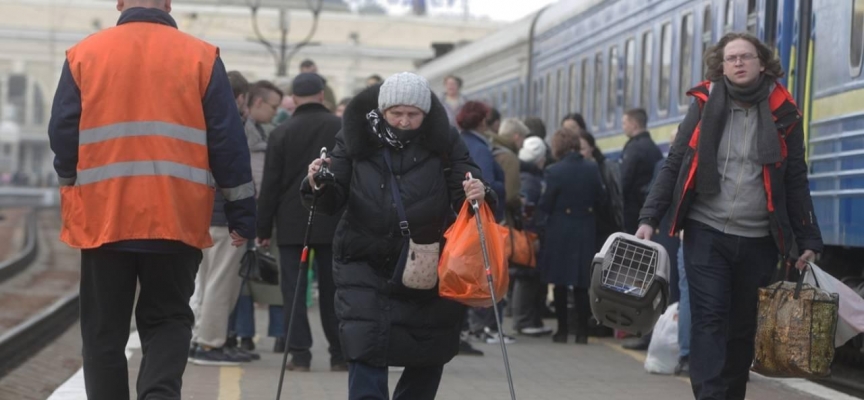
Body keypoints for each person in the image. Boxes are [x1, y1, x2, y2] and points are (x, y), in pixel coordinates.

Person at [47, 1, 256, 398]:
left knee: (103, 330)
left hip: (104, 217)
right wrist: (242, 212)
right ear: (168, 3)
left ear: (119, 2)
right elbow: (228, 142)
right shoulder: (201, 57)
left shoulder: (84, 55)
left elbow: (62, 131)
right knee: (168, 320)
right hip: (176, 217)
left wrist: (70, 182)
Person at [636, 32, 823, 400]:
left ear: (762, 63)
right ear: (721, 66)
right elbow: (676, 162)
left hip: (759, 237)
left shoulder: (784, 112)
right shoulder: (705, 104)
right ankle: (709, 395)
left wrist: (809, 238)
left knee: (741, 327)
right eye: (731, 58)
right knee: (709, 317)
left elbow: (795, 178)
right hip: (706, 230)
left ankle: (732, 393)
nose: (738, 63)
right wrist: (649, 217)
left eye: (746, 57)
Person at [303, 72, 493, 400]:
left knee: (428, 352)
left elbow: (464, 190)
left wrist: (478, 192)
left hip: (427, 263)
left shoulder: (445, 141)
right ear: (383, 110)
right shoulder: (354, 137)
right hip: (363, 261)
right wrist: (317, 182)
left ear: (425, 113)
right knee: (364, 346)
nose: (404, 121)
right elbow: (331, 198)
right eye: (396, 113)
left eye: (413, 114)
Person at [256, 73, 345, 372]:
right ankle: (339, 355)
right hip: (333, 220)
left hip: (292, 223)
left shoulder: (281, 133)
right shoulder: (340, 128)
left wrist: (263, 229)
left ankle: (299, 354)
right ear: (321, 95)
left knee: (293, 290)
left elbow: (270, 185)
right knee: (334, 290)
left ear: (293, 99)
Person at [188, 70, 258, 366]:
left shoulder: (197, 120)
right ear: (240, 98)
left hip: (202, 214)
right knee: (221, 283)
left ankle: (197, 338)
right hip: (226, 217)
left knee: (204, 282)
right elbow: (238, 174)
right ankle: (210, 343)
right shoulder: (231, 126)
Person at [537, 127, 605, 345]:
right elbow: (601, 199)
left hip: (560, 229)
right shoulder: (592, 168)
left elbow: (546, 203)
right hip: (585, 228)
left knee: (559, 282)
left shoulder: (554, 171)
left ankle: (562, 330)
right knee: (582, 283)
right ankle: (582, 332)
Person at [234, 80, 286, 353]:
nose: (276, 113)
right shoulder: (259, 134)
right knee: (259, 275)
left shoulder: (253, 131)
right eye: (273, 107)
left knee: (249, 275)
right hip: (253, 210)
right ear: (258, 102)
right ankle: (271, 335)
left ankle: (247, 335)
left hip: (249, 210)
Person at [458, 102, 512, 344]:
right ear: (482, 121)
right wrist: (503, 186)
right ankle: (486, 326)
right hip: (481, 220)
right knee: (487, 272)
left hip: (466, 220)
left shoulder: (461, 142)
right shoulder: (480, 147)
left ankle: (472, 326)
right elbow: (486, 184)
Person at [512, 136, 554, 337]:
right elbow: (527, 210)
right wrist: (533, 233)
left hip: (529, 232)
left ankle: (529, 319)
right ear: (540, 159)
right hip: (531, 234)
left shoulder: (525, 176)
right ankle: (525, 320)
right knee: (527, 277)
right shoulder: (531, 180)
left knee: (528, 276)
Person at [620, 108, 663, 234]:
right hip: (649, 206)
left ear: (634, 124)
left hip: (632, 208)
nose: (623, 127)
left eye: (624, 123)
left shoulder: (633, 148)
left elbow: (625, 179)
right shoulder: (654, 147)